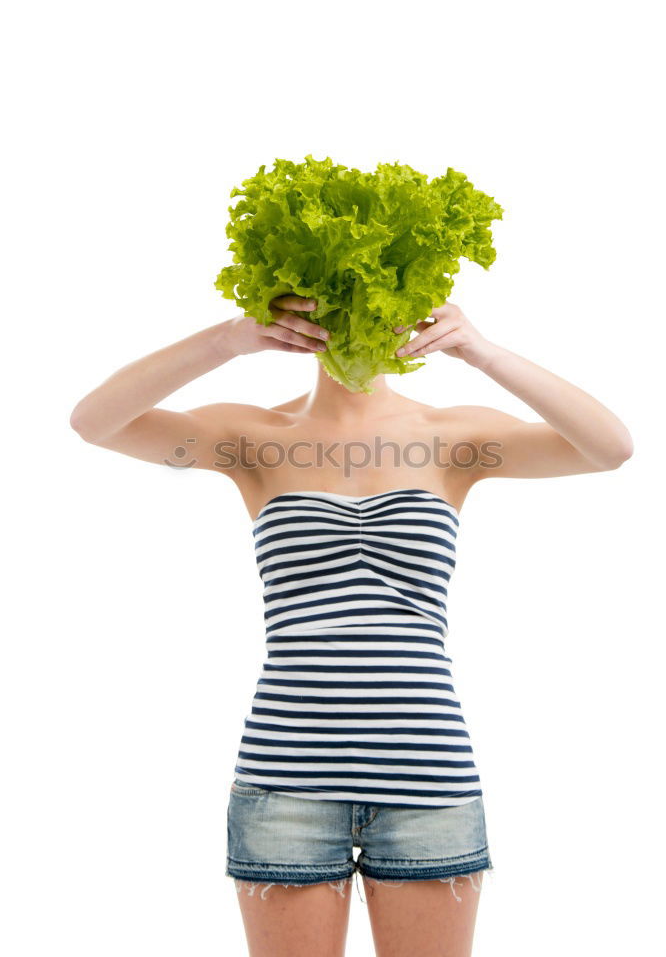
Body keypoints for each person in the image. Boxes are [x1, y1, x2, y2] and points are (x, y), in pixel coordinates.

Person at [70, 295, 633, 957]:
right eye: (332, 298)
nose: (353, 316)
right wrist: (228, 339)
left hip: (427, 775)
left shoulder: (454, 437)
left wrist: (480, 350)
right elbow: (95, 423)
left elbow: (610, 447)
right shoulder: (253, 438)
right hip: (287, 780)